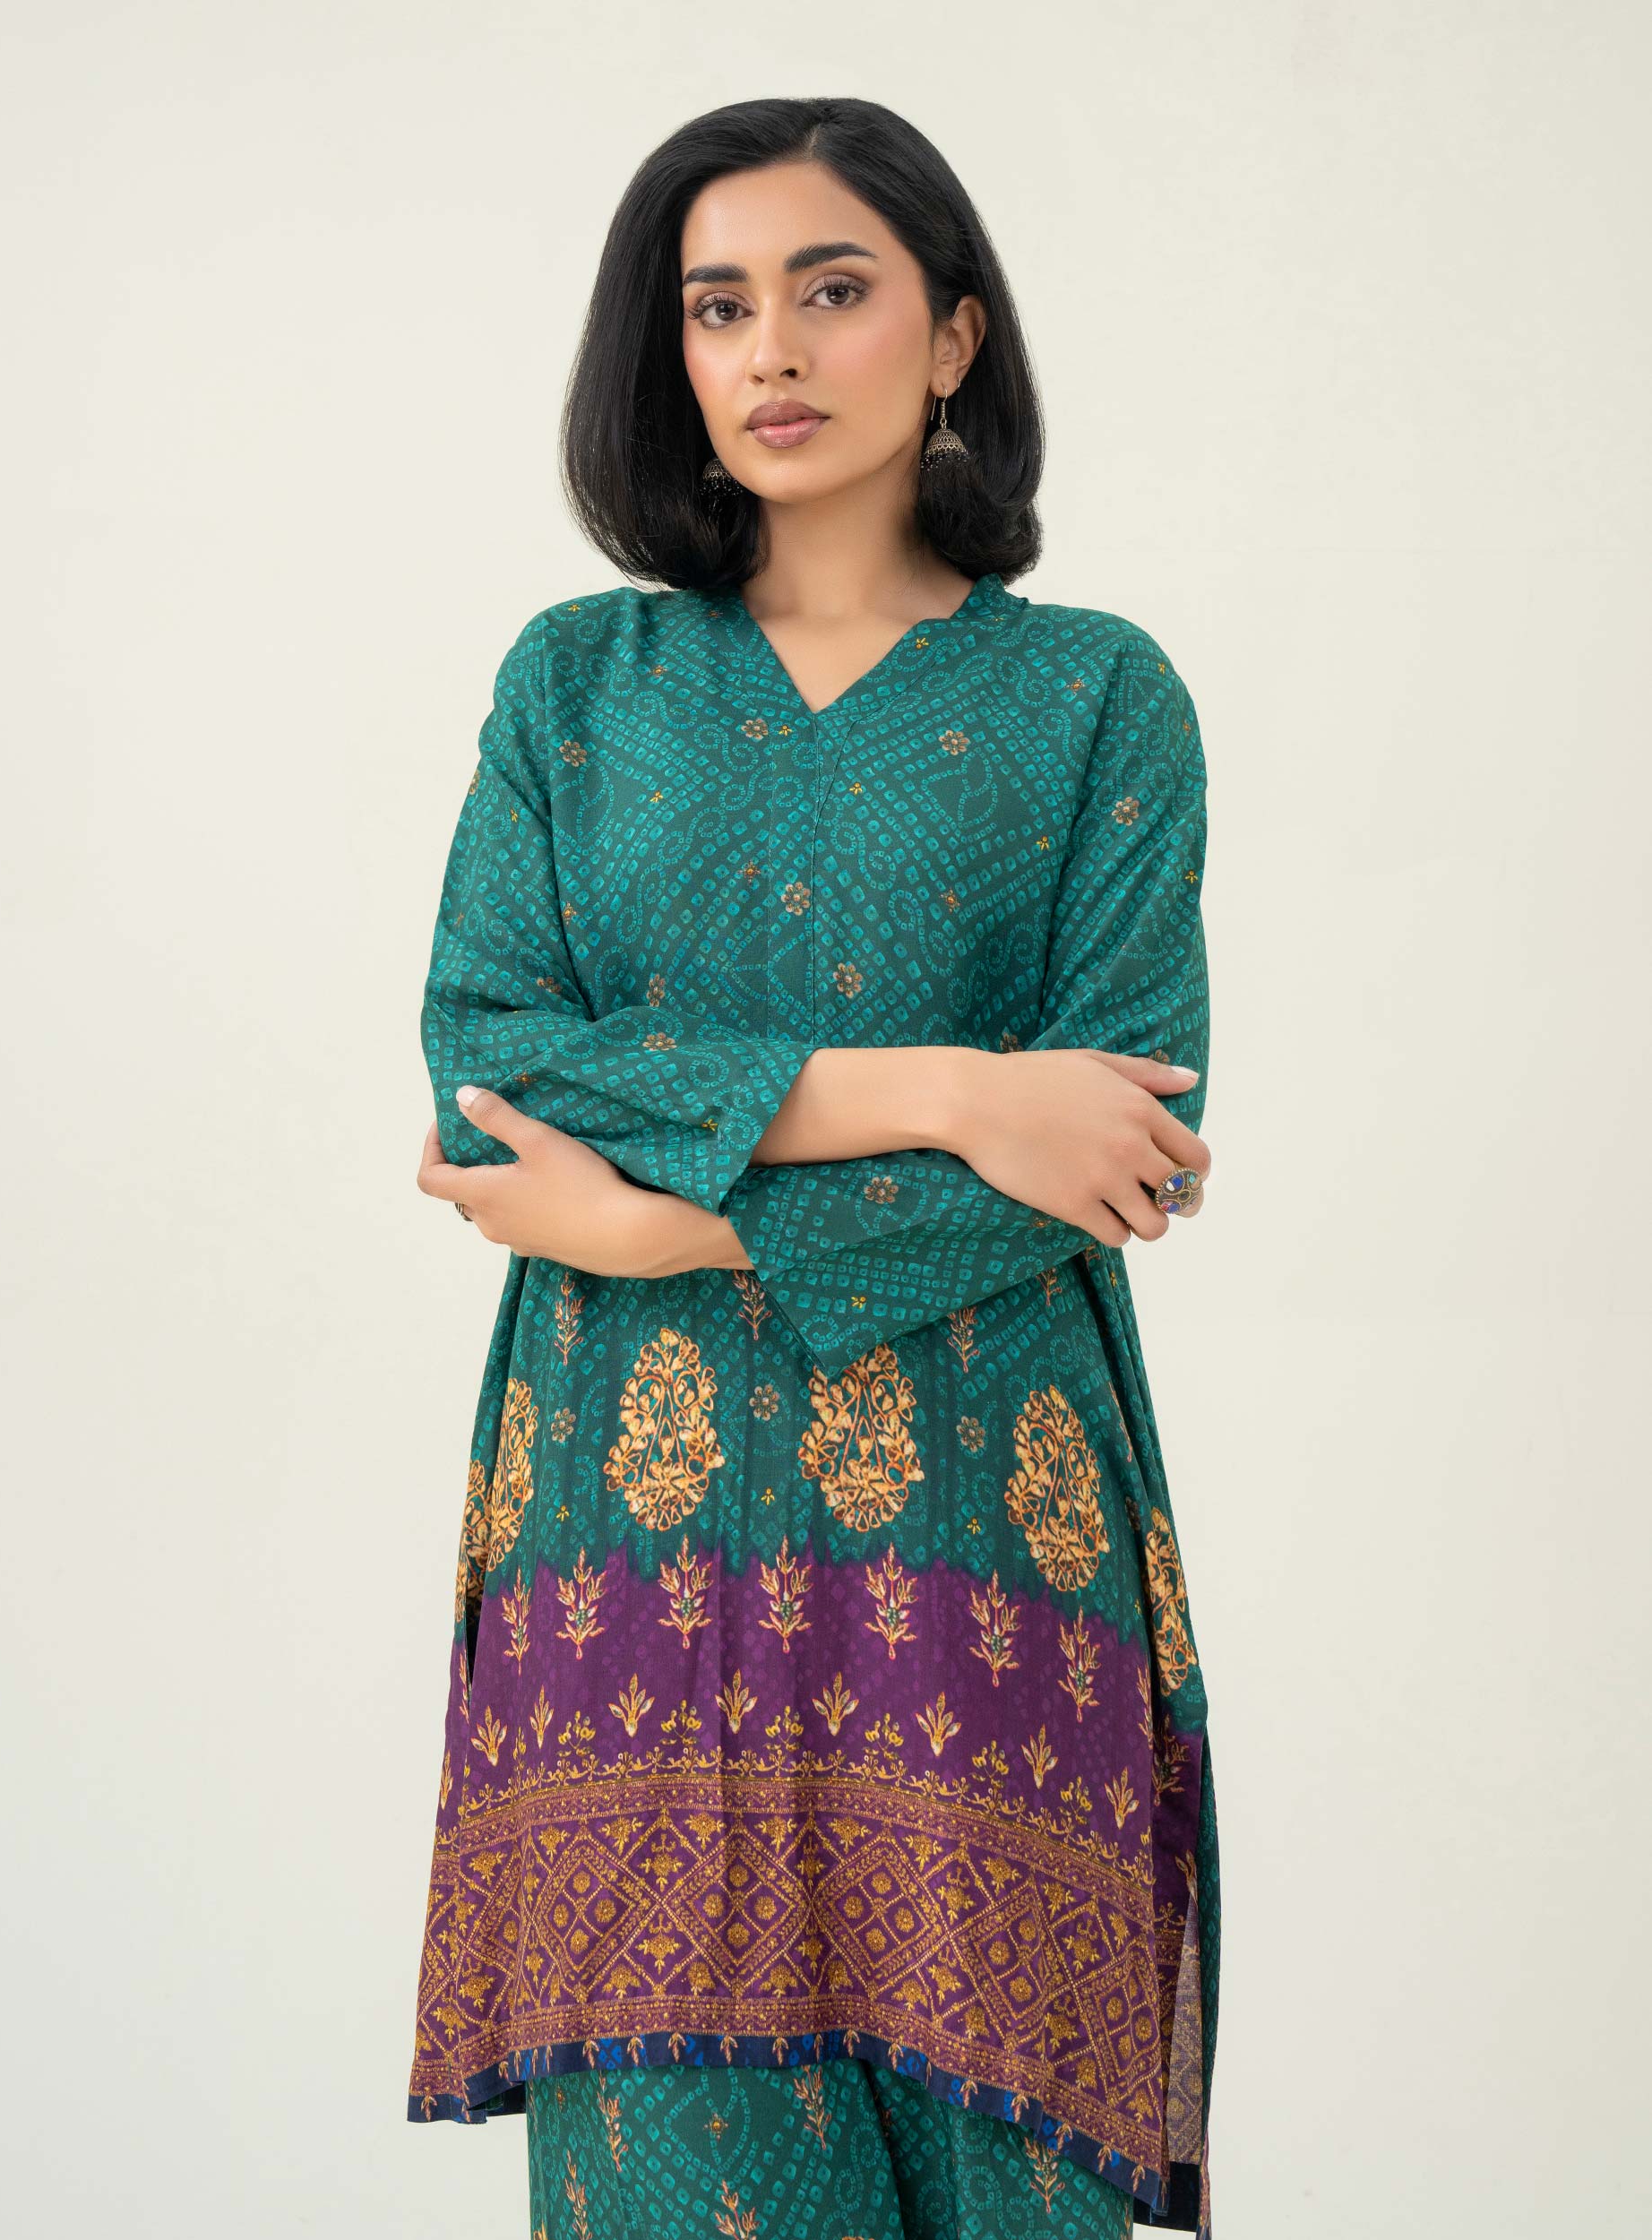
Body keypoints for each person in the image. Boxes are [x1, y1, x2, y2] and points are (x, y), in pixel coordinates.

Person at [406, 94, 1220, 2240]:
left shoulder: (1092, 698)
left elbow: (1117, 1143)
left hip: (982, 1548)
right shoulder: (579, 683)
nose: (768, 348)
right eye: (716, 306)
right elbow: (494, 1057)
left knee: (1002, 2183)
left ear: (951, 333)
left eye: (830, 290)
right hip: (627, 1556)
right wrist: (952, 1087)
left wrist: (648, 1217)